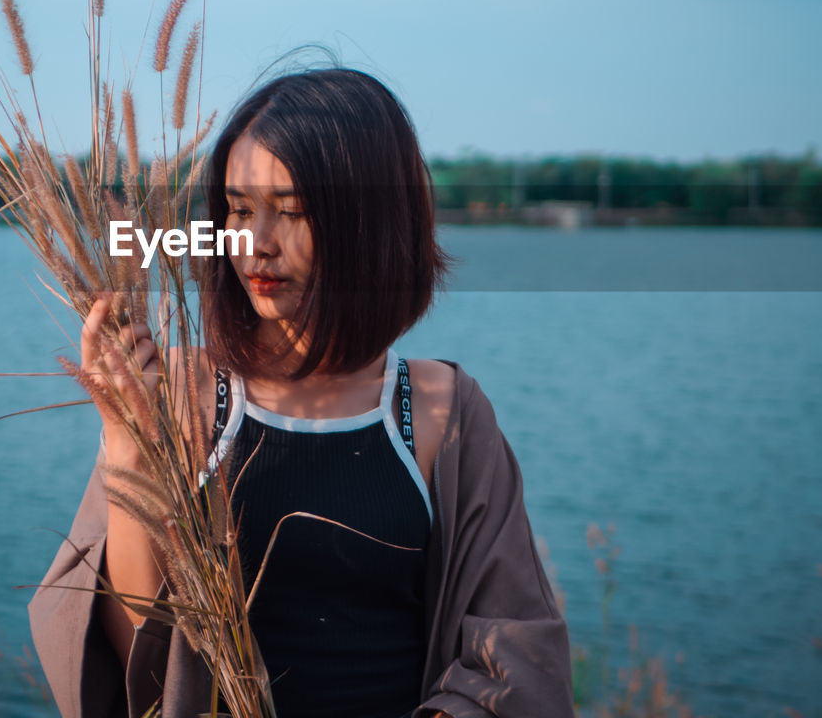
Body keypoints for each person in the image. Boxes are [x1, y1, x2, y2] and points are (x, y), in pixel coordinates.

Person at [29, 68, 574, 718]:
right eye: (238, 208)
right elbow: (137, 662)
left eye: (290, 212)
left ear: (370, 223)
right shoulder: (182, 389)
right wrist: (127, 442)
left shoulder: (438, 413)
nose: (254, 244)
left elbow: (515, 657)